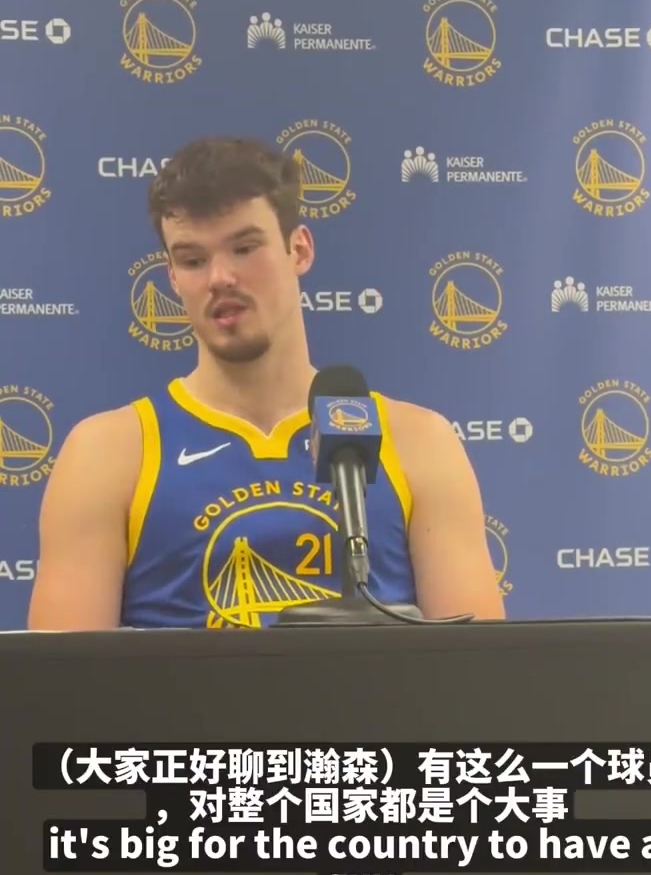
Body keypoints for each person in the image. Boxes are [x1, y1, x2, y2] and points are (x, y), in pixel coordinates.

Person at [28, 137, 505, 630]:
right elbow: (66, 673)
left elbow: (477, 665)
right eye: (192, 260)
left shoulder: (418, 442)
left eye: (245, 248)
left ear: (299, 249)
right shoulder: (107, 453)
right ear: (171, 277)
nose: (219, 277)